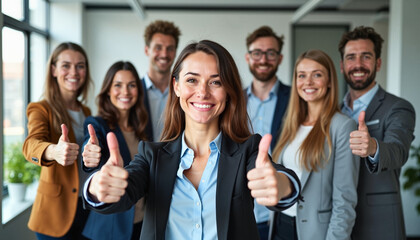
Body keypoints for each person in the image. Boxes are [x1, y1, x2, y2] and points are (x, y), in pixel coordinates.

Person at [83, 40, 301, 240]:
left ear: (228, 91)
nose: (202, 92)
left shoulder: (248, 151)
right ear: (176, 86)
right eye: (192, 80)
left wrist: (281, 184)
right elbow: (123, 194)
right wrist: (97, 187)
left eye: (215, 82)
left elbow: (280, 179)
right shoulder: (152, 155)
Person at [269, 49, 360, 240]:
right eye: (302, 76)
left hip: (316, 233)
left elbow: (344, 200)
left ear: (329, 82)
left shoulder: (343, 126)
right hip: (281, 224)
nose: (308, 82)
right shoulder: (290, 124)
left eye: (317, 75)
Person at [339, 26, 416, 240]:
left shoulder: (398, 107)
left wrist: (372, 146)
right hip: (339, 220)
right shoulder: (334, 112)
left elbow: (398, 151)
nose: (358, 65)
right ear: (342, 66)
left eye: (366, 57)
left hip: (379, 222)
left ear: (378, 63)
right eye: (351, 58)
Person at [22, 42, 92, 239]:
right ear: (53, 70)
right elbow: (30, 144)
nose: (74, 71)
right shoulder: (40, 108)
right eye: (66, 65)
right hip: (54, 212)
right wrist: (54, 151)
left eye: (80, 65)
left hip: (85, 206)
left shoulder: (86, 112)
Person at [81, 61, 149, 240]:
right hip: (109, 229)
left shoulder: (143, 128)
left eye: (131, 85)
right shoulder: (97, 124)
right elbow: (91, 144)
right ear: (108, 90)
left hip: (141, 223)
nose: (125, 92)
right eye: (118, 85)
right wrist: (90, 154)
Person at [244, 26, 291, 240]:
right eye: (257, 53)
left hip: (283, 208)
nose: (263, 59)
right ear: (248, 57)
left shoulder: (296, 100)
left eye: (270, 53)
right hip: (243, 208)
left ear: (280, 58)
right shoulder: (232, 102)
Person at [142, 20, 181, 141]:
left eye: (170, 48)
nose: (164, 54)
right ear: (147, 50)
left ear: (175, 53)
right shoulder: (133, 92)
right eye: (158, 48)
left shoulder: (184, 91)